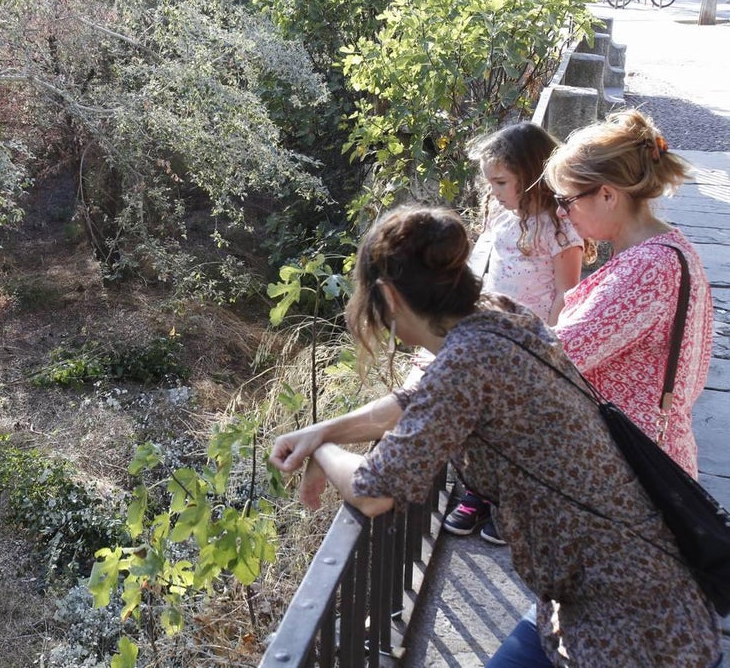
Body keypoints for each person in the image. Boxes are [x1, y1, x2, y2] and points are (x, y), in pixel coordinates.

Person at [269, 206, 722, 667]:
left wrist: (323, 452)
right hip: (617, 584)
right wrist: (323, 430)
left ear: (388, 296)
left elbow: (372, 492)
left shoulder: (467, 362)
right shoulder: (499, 316)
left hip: (627, 626)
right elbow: (421, 396)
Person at [545, 109, 713, 477]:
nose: (561, 213)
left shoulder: (648, 268)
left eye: (566, 200)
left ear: (607, 194)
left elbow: (553, 357)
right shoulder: (669, 250)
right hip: (645, 457)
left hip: (630, 471)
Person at [445, 122, 584, 543]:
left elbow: (567, 294)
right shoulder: (502, 216)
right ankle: (477, 494)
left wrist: (551, 348)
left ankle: (510, 506)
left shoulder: (559, 229)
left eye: (501, 182)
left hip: (530, 346)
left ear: (533, 174)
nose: (493, 191)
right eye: (489, 182)